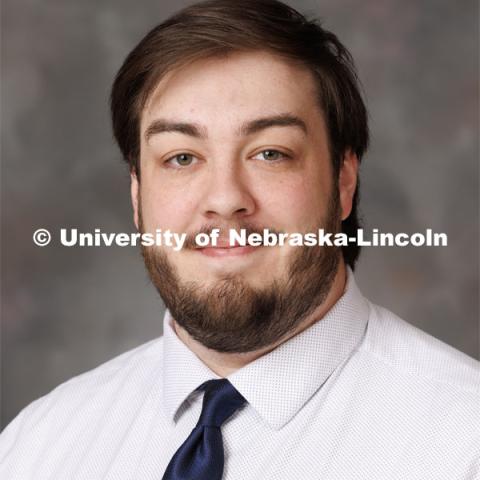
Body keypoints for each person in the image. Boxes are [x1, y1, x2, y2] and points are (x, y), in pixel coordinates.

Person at [1, 1, 478, 479]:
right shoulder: (37, 445)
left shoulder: (462, 442)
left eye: (270, 153)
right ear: (137, 193)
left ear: (343, 181)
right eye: (182, 158)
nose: (226, 199)